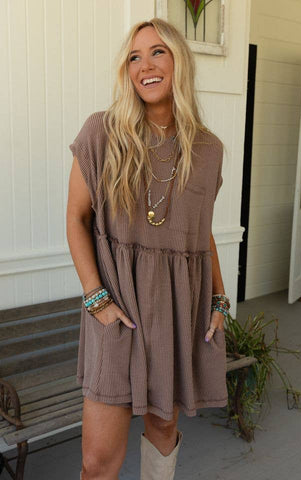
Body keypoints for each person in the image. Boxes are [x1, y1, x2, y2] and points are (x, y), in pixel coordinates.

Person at [66, 16, 230, 480]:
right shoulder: (102, 133)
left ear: (179, 62)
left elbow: (204, 234)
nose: (145, 65)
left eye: (158, 52)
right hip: (117, 311)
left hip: (177, 313)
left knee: (163, 427)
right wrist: (97, 300)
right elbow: (77, 219)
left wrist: (219, 299)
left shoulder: (209, 149)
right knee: (97, 461)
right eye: (134, 57)